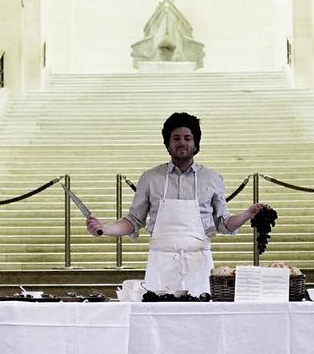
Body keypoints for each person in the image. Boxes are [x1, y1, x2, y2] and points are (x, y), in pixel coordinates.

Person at [86, 111, 266, 296]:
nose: (182, 142)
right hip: (160, 265)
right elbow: (133, 221)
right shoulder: (150, 178)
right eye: (176, 138)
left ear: (196, 143)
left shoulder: (212, 178)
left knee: (202, 320)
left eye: (188, 138)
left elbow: (223, 222)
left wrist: (246, 215)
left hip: (199, 266)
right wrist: (104, 228)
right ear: (168, 143)